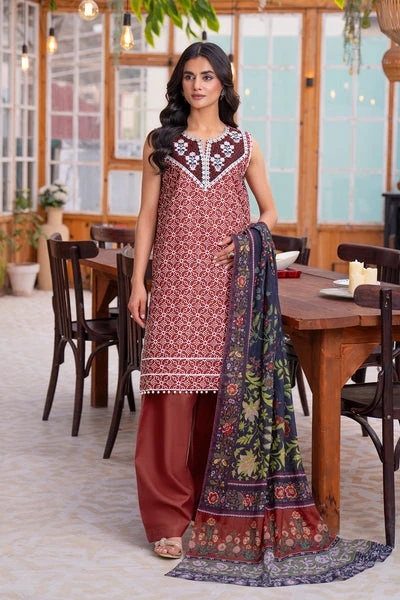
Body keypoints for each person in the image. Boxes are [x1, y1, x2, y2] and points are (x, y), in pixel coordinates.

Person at [128, 41, 278, 559]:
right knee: (169, 404)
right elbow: (147, 216)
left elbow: (270, 212)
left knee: (219, 405)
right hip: (173, 284)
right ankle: (167, 519)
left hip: (227, 287)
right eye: (189, 76)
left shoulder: (244, 145)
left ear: (223, 84)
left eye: (207, 76)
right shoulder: (162, 143)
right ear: (180, 83)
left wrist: (247, 239)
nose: (197, 85)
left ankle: (211, 510)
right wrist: (139, 282)